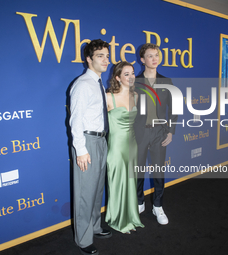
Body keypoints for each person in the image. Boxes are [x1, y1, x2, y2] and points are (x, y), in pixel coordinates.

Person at [69, 39, 112, 255]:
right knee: (85, 193)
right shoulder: (83, 84)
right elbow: (75, 120)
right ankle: (83, 240)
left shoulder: (98, 83)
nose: (106, 60)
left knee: (96, 191)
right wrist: (81, 150)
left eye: (107, 55)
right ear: (89, 59)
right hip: (87, 143)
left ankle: (95, 227)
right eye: (100, 56)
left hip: (101, 141)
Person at [134, 43, 178, 225]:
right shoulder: (133, 82)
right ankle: (139, 202)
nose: (155, 59)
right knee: (138, 171)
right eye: (150, 56)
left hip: (160, 132)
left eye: (157, 55)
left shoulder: (167, 81)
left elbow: (174, 107)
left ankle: (158, 206)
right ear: (142, 60)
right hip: (139, 133)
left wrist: (171, 131)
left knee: (159, 171)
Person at [105, 61, 144, 234]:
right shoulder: (108, 97)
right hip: (116, 147)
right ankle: (118, 220)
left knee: (130, 182)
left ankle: (131, 217)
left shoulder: (136, 96)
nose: (130, 77)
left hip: (132, 144)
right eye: (126, 74)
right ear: (117, 78)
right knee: (117, 183)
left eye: (132, 73)